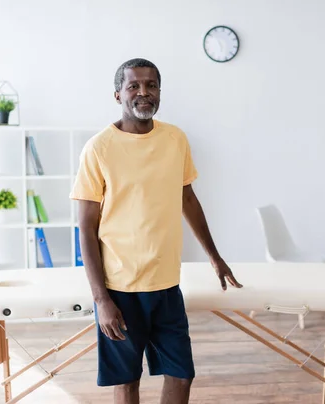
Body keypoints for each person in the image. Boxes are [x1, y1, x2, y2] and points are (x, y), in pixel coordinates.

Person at [69, 57, 242, 404]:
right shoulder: (99, 148)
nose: (143, 93)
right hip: (120, 287)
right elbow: (86, 228)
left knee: (181, 374)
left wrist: (215, 257)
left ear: (160, 92)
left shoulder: (175, 139)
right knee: (127, 380)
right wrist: (101, 299)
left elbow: (187, 199)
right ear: (118, 94)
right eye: (134, 85)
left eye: (151, 85)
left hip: (166, 285)